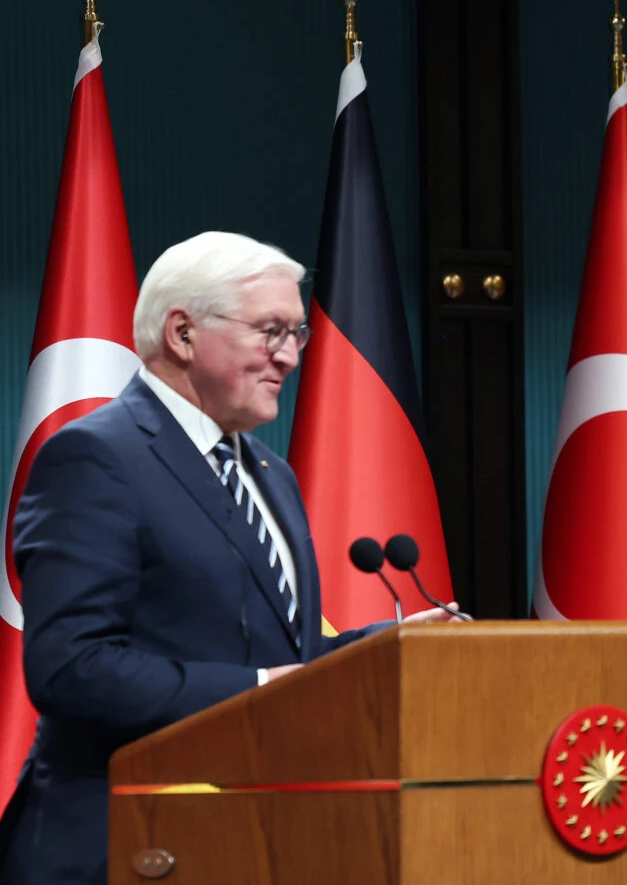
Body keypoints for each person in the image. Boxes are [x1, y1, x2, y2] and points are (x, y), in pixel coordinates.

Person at [0, 231, 458, 885]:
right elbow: (72, 667)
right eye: (271, 330)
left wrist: (392, 647)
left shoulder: (272, 474)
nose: (290, 356)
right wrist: (260, 691)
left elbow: (281, 660)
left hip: (252, 841)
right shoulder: (96, 458)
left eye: (297, 334)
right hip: (121, 843)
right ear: (182, 334)